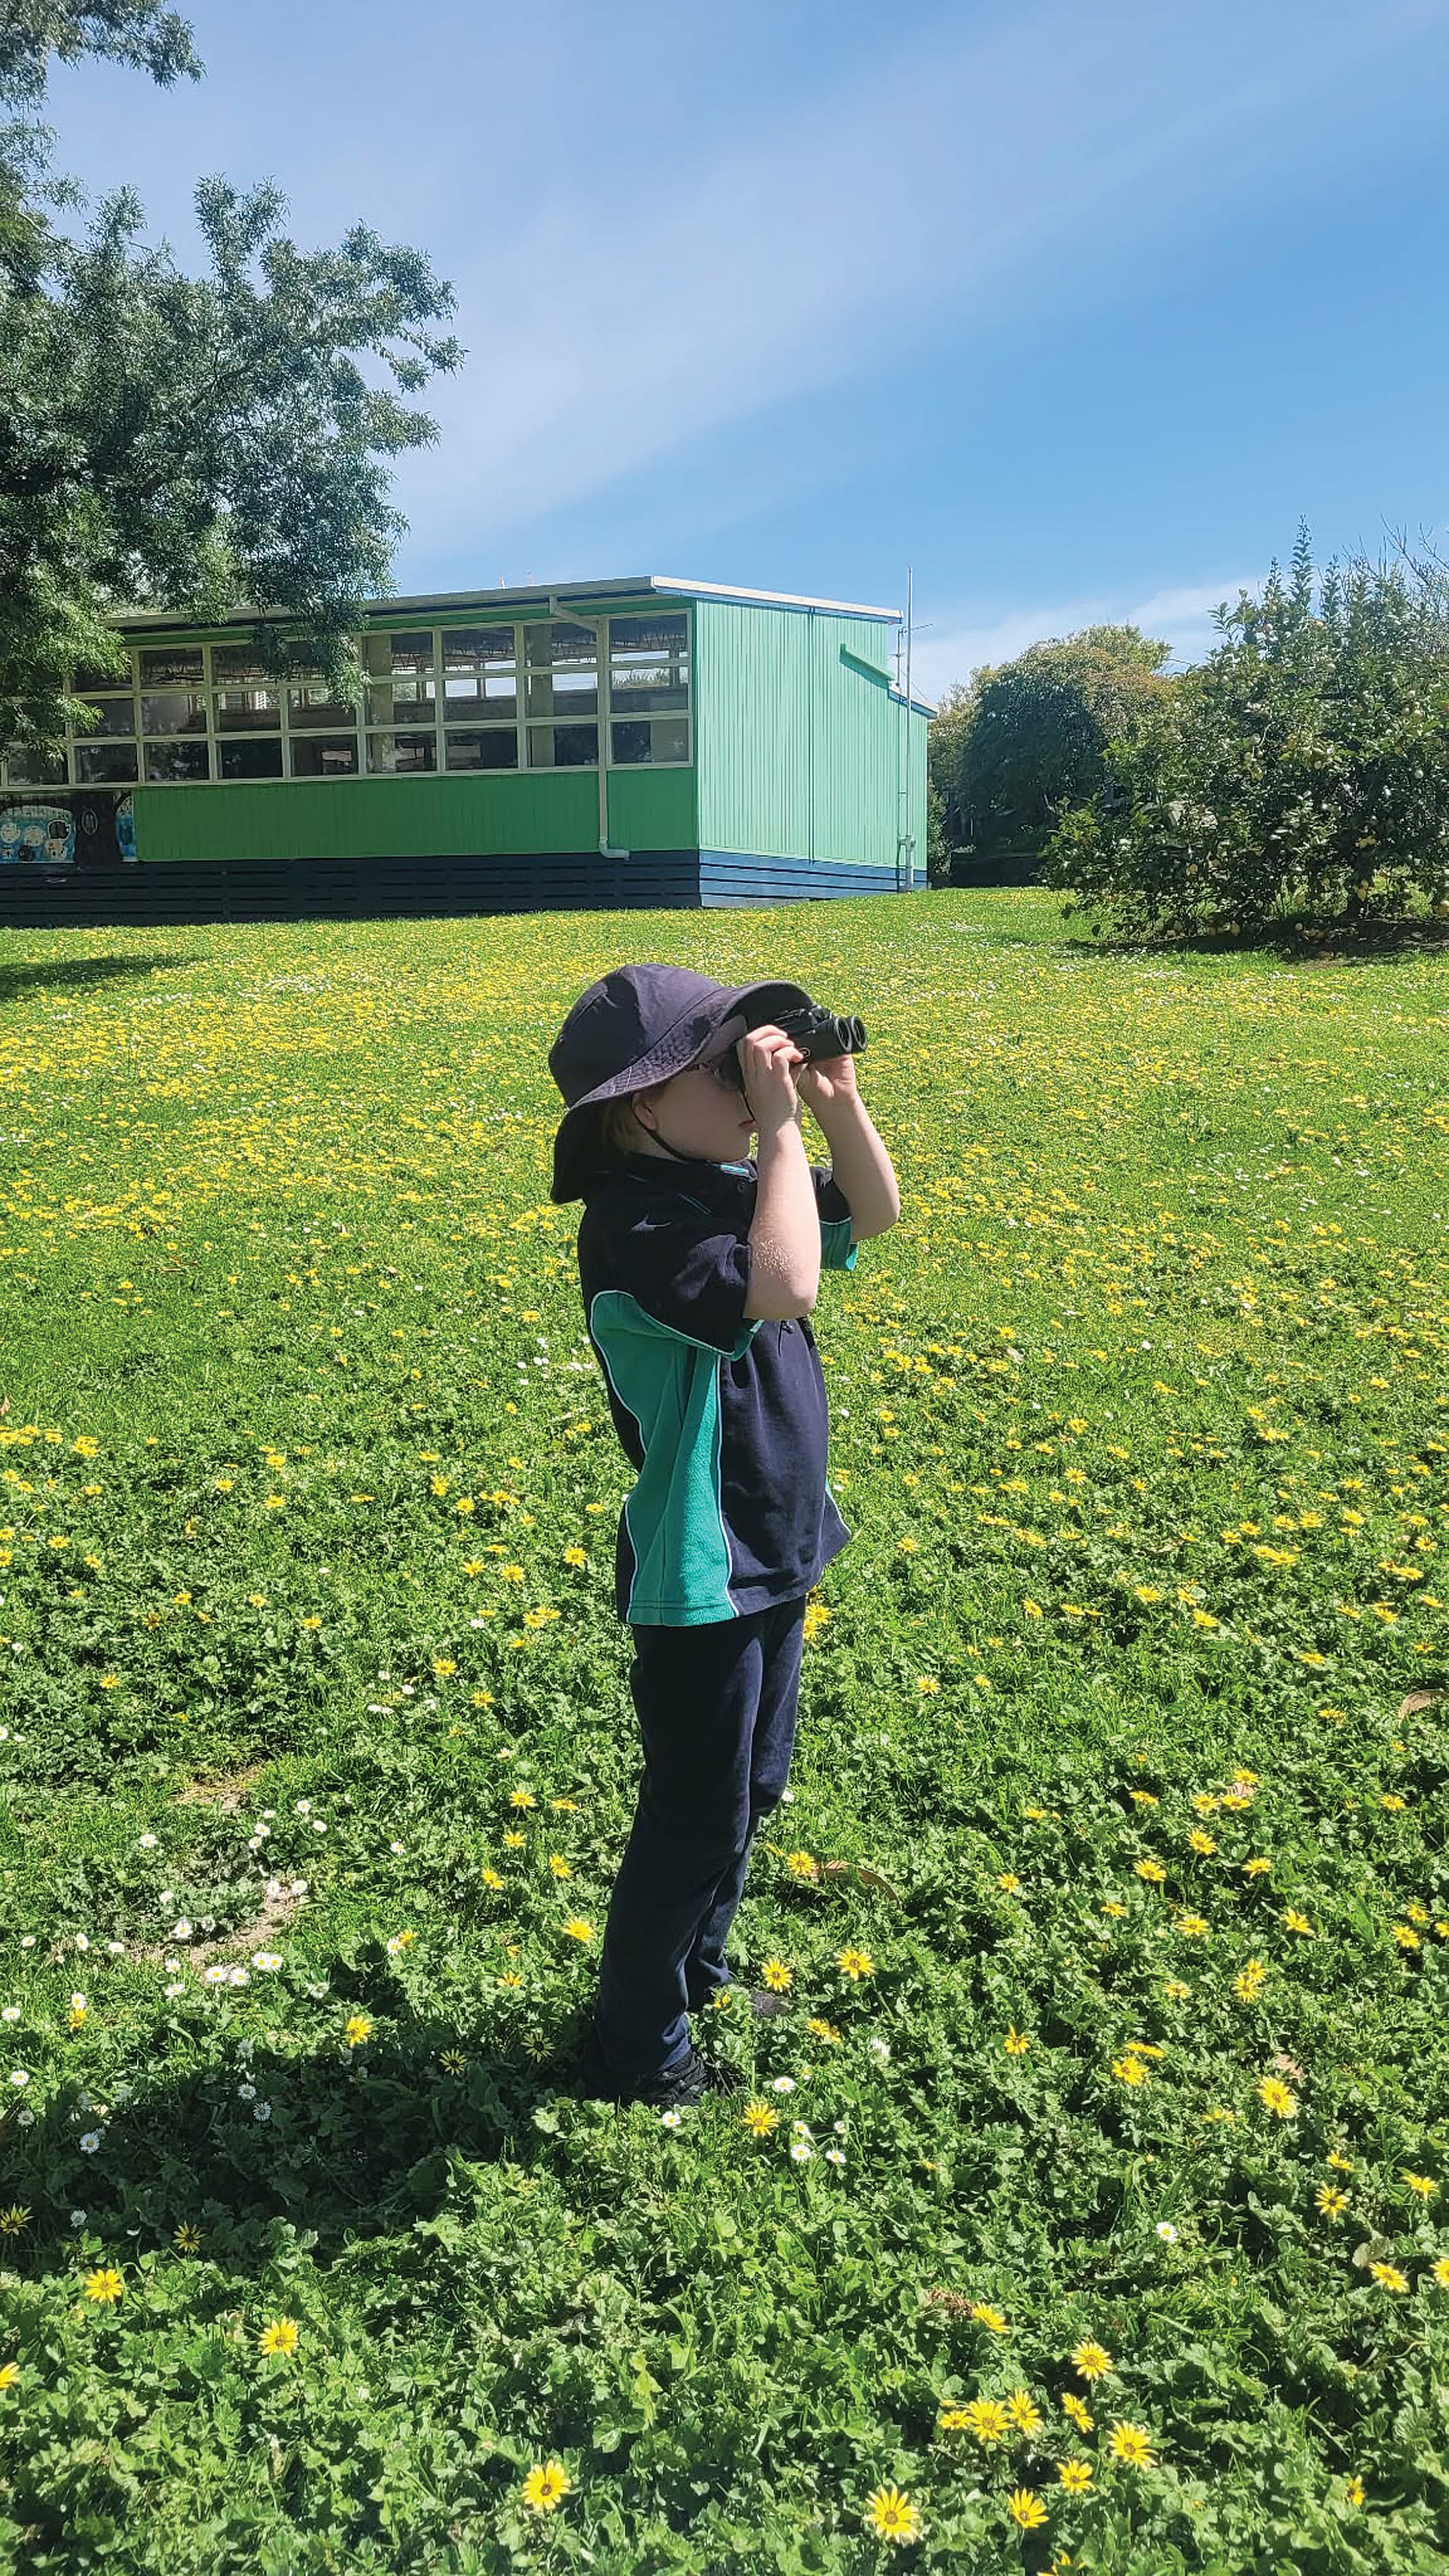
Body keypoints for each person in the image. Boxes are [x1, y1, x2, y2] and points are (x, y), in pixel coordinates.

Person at [546, 963, 901, 2109]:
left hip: (774, 1540)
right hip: (702, 1564)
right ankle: (632, 2045)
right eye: (724, 1069)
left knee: (747, 1791)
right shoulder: (638, 1225)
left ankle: (693, 1977)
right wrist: (785, 1134)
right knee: (691, 1815)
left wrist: (833, 1098)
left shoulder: (722, 1179)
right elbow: (788, 1281)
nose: (751, 1090)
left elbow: (875, 1212)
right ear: (640, 1101)